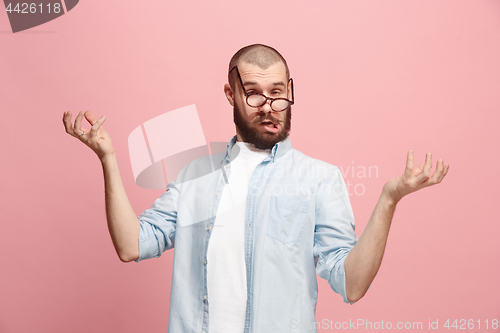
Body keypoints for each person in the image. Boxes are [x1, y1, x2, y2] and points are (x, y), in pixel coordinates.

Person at [62, 44, 449, 333]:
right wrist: (108, 159)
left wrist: (388, 199)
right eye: (253, 93)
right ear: (230, 95)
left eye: (278, 92)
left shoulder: (319, 179)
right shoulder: (193, 174)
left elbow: (352, 284)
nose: (268, 105)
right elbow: (133, 245)